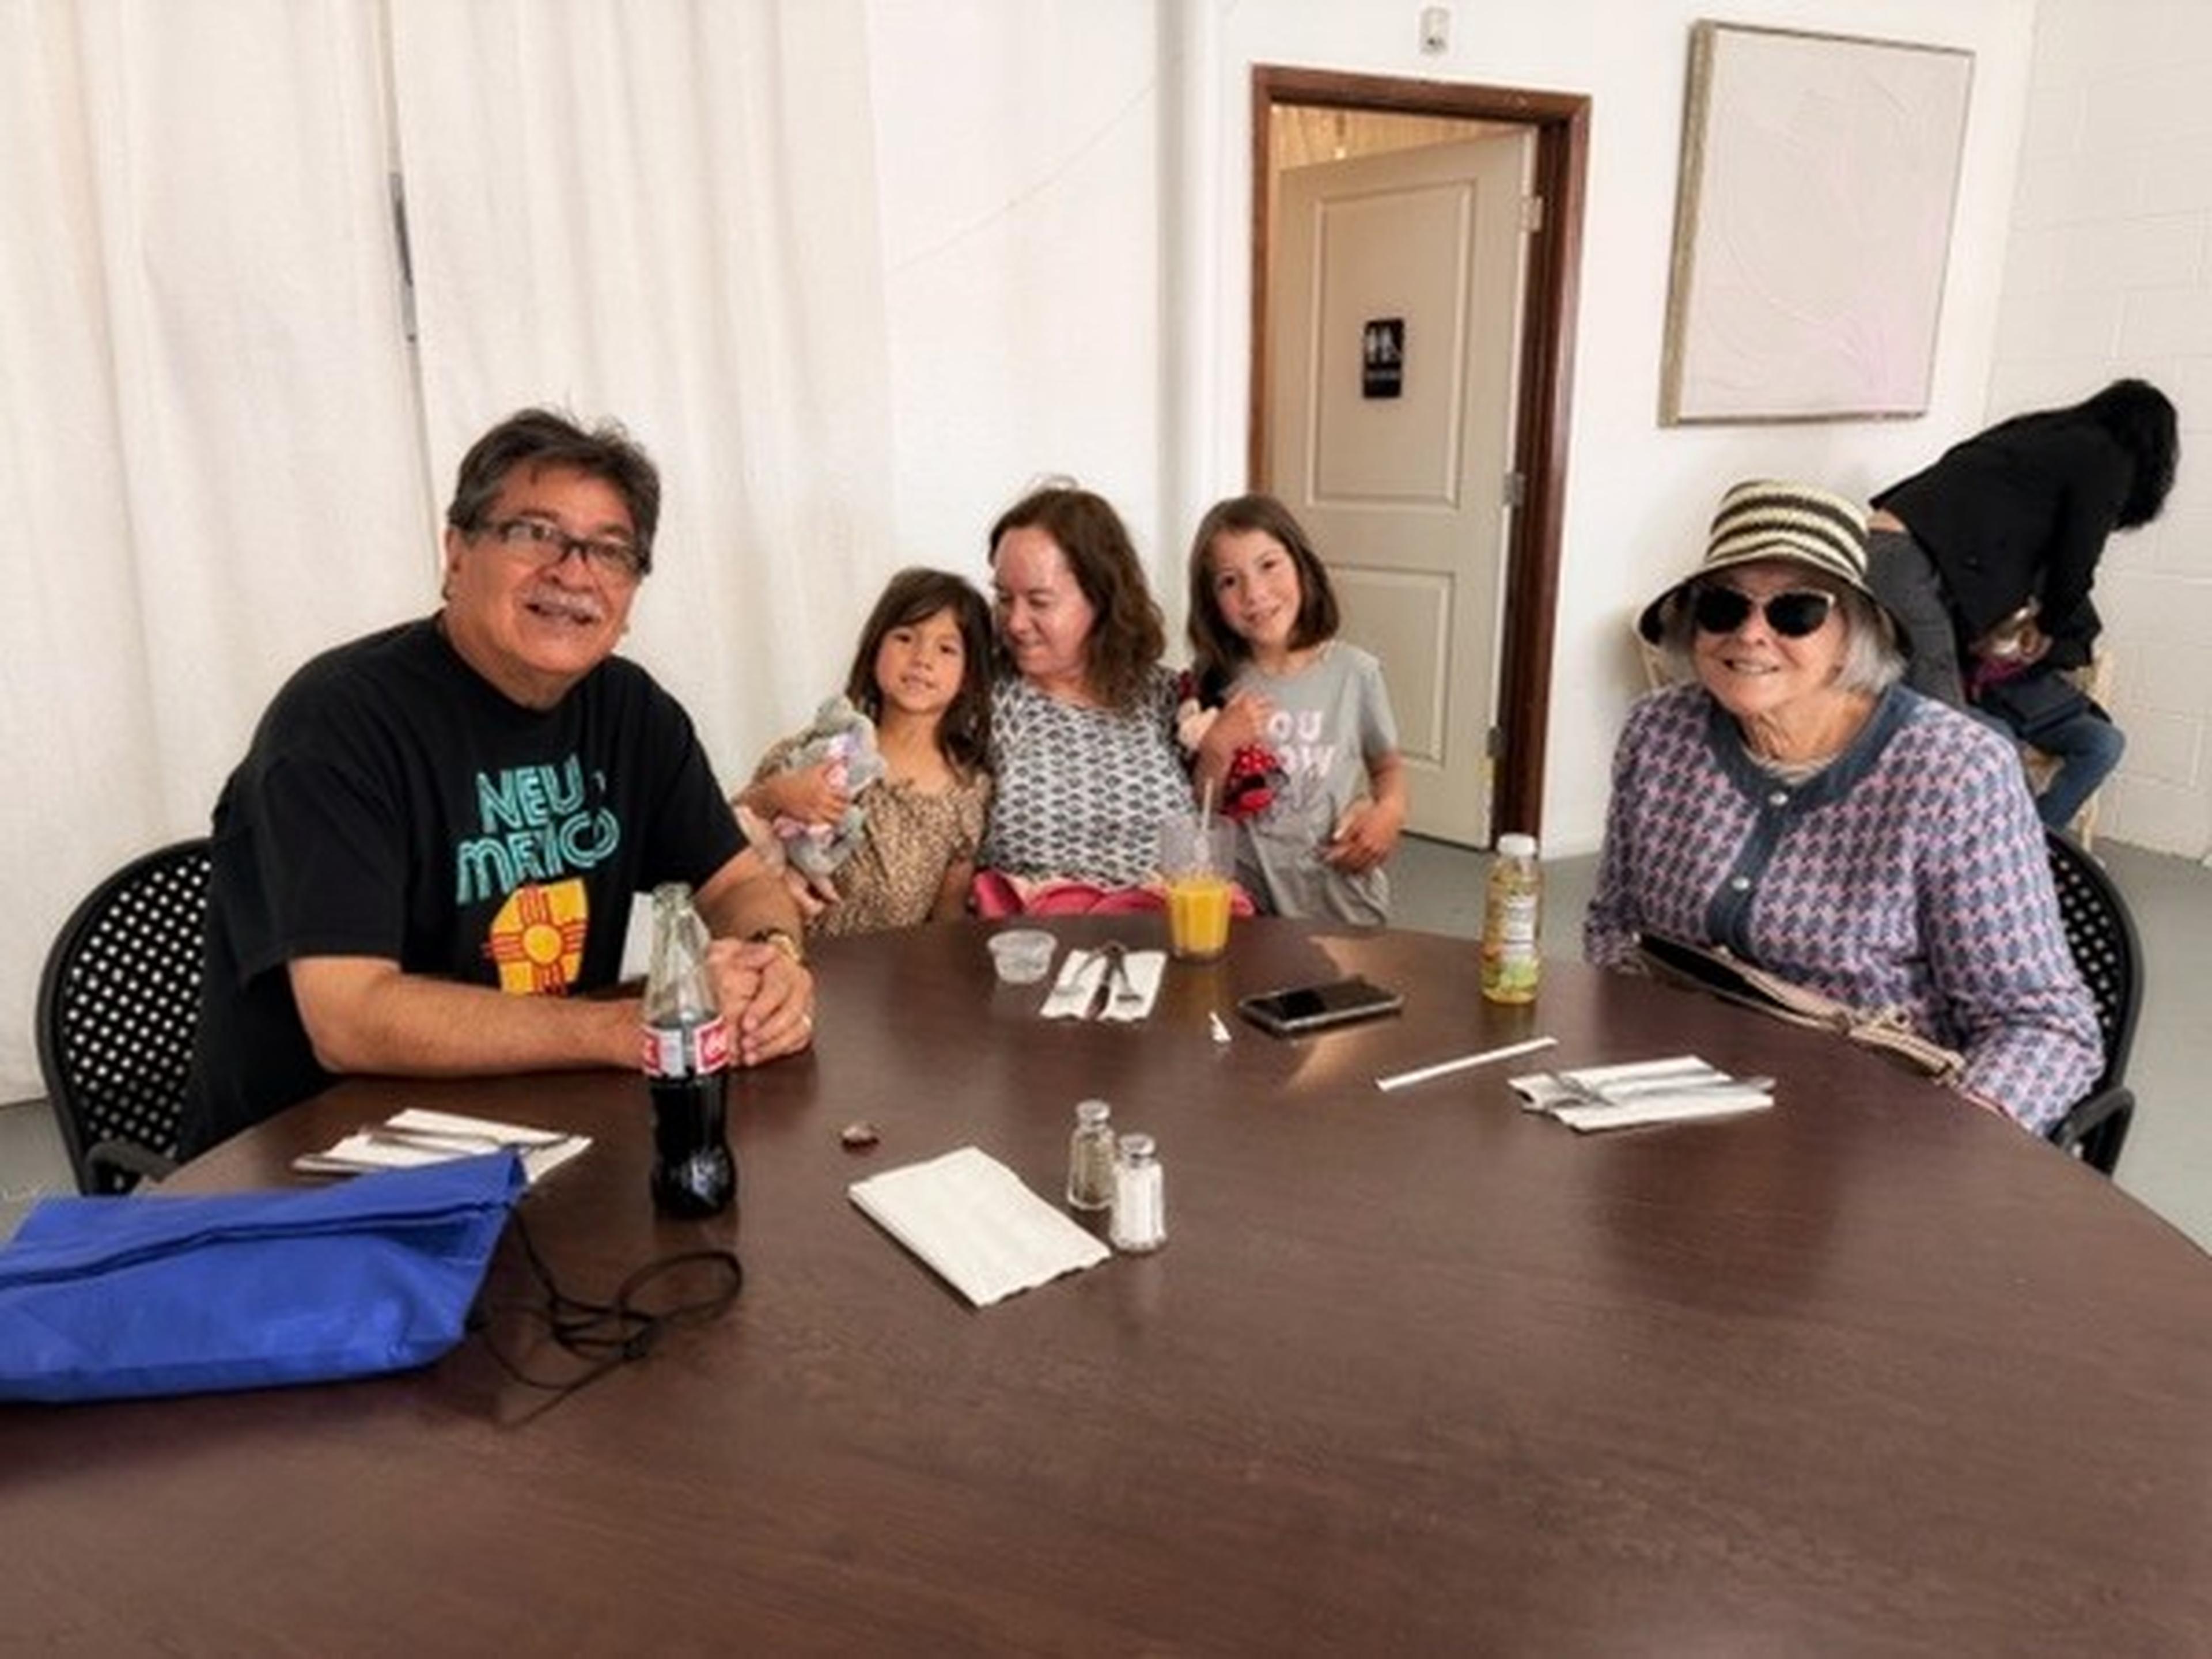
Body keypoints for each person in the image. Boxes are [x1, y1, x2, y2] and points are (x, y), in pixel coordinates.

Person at [181, 409, 815, 1157]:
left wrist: (774, 958)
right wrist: (620, 1026)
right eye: (533, 533)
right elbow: (348, 1017)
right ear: (456, 554)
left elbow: (737, 882)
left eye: (610, 551)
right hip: (314, 1168)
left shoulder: (632, 712)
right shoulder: (336, 723)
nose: (574, 572)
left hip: (536, 1131)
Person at [1586, 479, 2101, 1137]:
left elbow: (2045, 1028)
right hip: (1672, 1112)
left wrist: (1951, 1151)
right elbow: (1615, 924)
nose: (1751, 636)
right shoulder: (1659, 732)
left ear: (1853, 632)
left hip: (1870, 1136)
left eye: (1795, 612)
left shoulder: (1954, 772)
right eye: (1723, 606)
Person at [1866, 376, 2175, 741]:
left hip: (1884, 542)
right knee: (1946, 723)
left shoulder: (2036, 433)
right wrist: (2047, 626)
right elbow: (2077, 560)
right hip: (1905, 556)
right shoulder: (2107, 456)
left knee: (1925, 706)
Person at [974, 483, 1208, 914]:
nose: (1016, 622)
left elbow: (1214, 820)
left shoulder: (1163, 695)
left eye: (1040, 602)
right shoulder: (986, 697)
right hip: (1032, 948)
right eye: (1005, 598)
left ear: (1101, 598)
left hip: (1162, 940)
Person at [1181, 493, 1406, 925]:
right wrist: (1217, 747)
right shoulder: (1210, 681)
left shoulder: (1355, 672)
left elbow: (1388, 767)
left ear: (1301, 565)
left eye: (1268, 565)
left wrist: (1389, 813)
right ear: (1211, 600)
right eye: (1229, 581)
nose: (1255, 593)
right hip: (1245, 911)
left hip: (1343, 903)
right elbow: (1201, 813)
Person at [736, 568, 994, 935]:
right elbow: (721, 838)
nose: (922, 658)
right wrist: (777, 794)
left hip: (896, 983)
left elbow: (947, 923)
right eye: (905, 637)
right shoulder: (817, 751)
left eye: (946, 648)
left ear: (969, 675)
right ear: (875, 650)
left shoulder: (967, 793)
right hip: (790, 971)